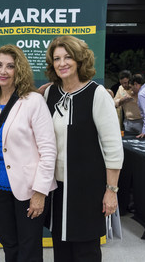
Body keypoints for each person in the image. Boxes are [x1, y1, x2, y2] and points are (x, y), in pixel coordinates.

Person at [44, 35, 123, 262]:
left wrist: (111, 190)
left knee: (86, 252)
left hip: (87, 191)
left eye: (68, 57)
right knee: (62, 251)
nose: (62, 63)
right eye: (57, 58)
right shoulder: (50, 93)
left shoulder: (97, 94)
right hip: (57, 190)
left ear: (79, 59)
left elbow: (113, 148)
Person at [0, 44, 57, 261]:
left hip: (29, 189)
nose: (3, 71)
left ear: (19, 70)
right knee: (9, 244)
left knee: (29, 248)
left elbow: (48, 150)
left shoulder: (34, 101)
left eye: (10, 66)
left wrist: (40, 192)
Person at [113, 70, 143, 134]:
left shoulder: (136, 88)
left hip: (140, 120)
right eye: (122, 83)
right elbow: (114, 102)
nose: (124, 85)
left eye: (125, 83)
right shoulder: (120, 88)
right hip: (127, 122)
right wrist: (121, 101)